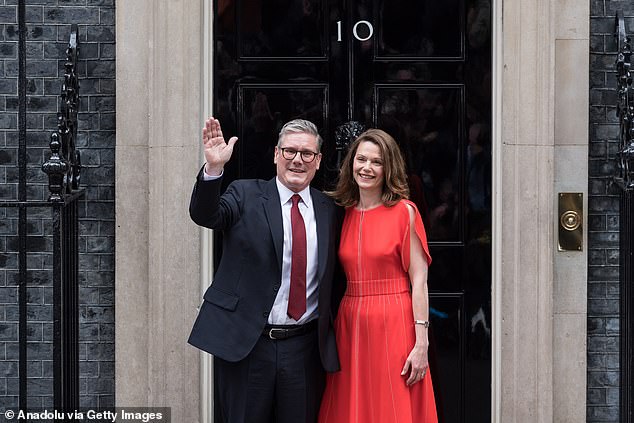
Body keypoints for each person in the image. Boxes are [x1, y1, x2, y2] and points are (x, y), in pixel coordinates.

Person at [188, 117, 341, 423]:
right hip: (248, 346)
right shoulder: (245, 194)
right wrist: (214, 169)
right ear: (275, 154)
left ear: (318, 160)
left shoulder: (331, 211)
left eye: (307, 153)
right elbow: (205, 215)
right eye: (289, 151)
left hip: (304, 349)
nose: (297, 160)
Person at [318, 129, 437, 423]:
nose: (367, 168)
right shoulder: (341, 213)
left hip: (395, 320)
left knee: (392, 407)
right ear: (351, 164)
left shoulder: (404, 212)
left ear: (388, 168)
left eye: (376, 162)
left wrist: (421, 343)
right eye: (361, 159)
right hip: (351, 321)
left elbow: (419, 282)